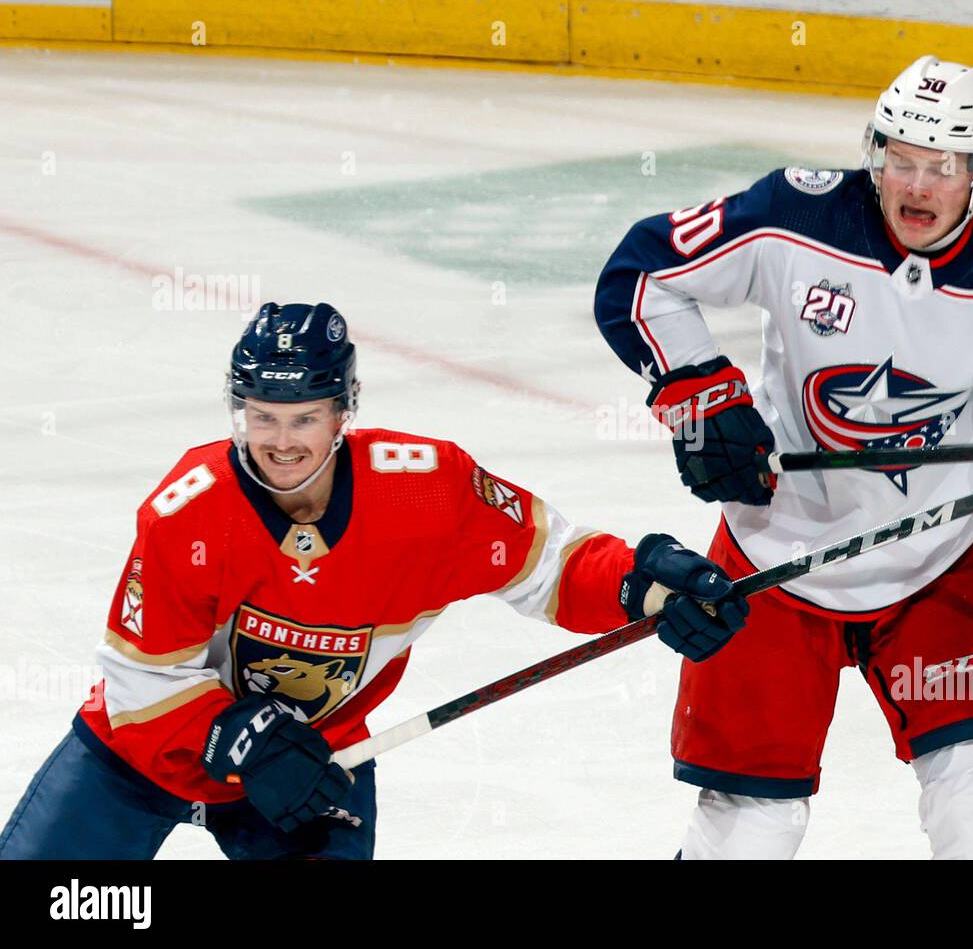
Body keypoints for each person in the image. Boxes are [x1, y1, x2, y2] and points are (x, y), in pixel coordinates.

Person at [0, 302, 747, 859]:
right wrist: (240, 738)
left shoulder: (426, 492)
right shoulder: (190, 511)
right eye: (262, 418)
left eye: (304, 419)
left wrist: (645, 589)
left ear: (343, 413)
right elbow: (138, 680)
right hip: (152, 754)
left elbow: (551, 565)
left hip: (318, 761)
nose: (280, 444)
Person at [594, 55, 973, 859]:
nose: (918, 187)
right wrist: (703, 401)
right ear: (875, 150)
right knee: (752, 824)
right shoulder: (795, 215)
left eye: (944, 166)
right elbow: (640, 272)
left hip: (937, 564)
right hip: (774, 556)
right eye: (901, 158)